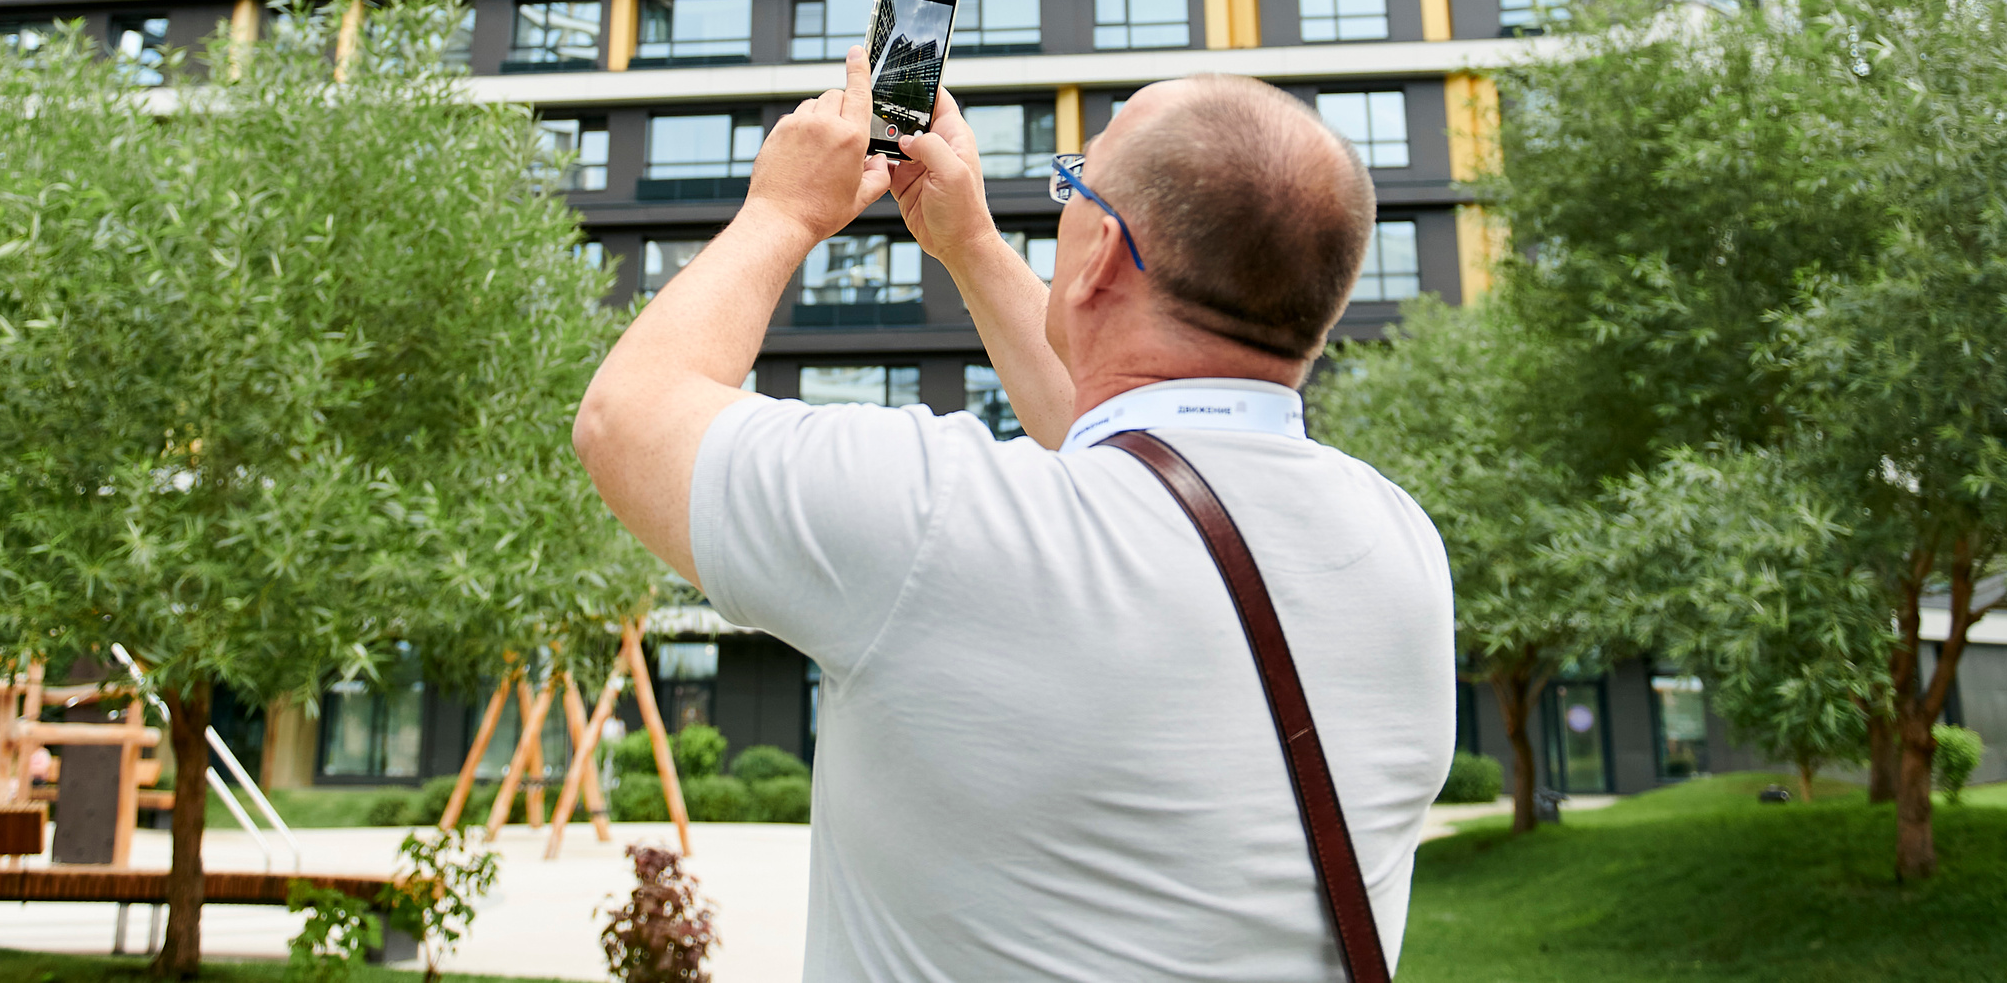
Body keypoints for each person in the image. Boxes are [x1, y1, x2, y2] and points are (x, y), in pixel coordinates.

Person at [575, 50, 1455, 980]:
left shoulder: (941, 523)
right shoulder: (1398, 547)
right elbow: (1142, 448)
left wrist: (784, 210)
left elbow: (626, 417)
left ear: (1105, 255)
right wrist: (973, 245)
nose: (1065, 200)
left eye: (1075, 182)